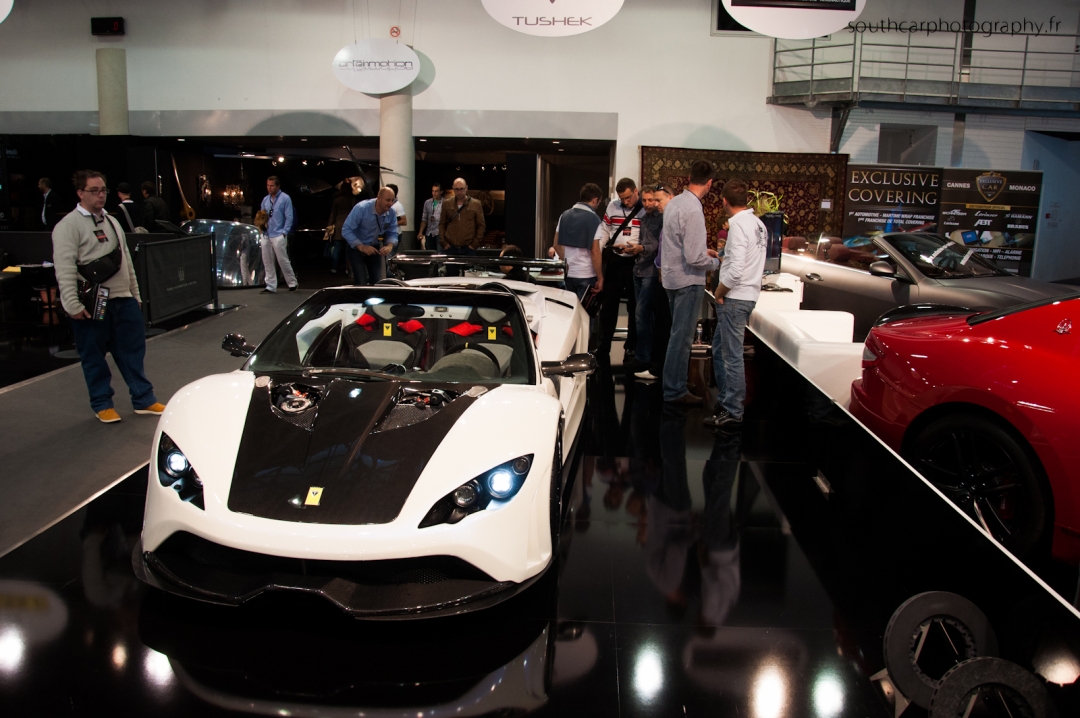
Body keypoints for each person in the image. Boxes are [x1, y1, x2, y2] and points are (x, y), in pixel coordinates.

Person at [52, 170, 165, 423]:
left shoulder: (113, 222)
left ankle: (143, 399)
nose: (100, 195)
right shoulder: (68, 226)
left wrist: (135, 295)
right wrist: (72, 304)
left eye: (103, 190)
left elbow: (126, 261)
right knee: (94, 356)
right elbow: (64, 268)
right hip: (92, 302)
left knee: (133, 351)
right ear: (80, 193)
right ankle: (102, 403)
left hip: (123, 299)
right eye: (94, 191)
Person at [704, 178, 767, 429]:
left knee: (731, 355)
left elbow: (737, 269)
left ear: (724, 201)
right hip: (746, 294)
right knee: (721, 348)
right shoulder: (758, 224)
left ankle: (732, 409)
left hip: (735, 295)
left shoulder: (739, 225)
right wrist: (722, 257)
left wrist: (720, 290)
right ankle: (726, 400)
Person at [661, 160, 720, 405]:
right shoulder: (694, 210)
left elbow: (678, 244)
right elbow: (694, 258)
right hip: (687, 280)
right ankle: (674, 390)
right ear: (710, 183)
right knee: (682, 338)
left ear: (689, 177)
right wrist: (716, 263)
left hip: (672, 278)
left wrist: (703, 252)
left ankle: (675, 383)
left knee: (677, 335)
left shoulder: (674, 203)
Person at [595, 178, 645, 361]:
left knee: (635, 306)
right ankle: (604, 346)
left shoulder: (644, 209)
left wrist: (636, 248)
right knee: (609, 305)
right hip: (616, 260)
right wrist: (600, 250)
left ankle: (631, 346)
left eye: (628, 197)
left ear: (636, 191)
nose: (625, 201)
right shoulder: (613, 207)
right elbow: (605, 231)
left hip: (636, 261)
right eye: (622, 198)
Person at [624, 185, 662, 374]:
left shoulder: (662, 219)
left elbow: (659, 245)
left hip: (651, 272)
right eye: (645, 200)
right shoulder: (644, 218)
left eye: (650, 200)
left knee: (642, 314)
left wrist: (642, 248)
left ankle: (644, 357)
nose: (647, 204)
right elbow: (644, 242)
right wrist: (633, 248)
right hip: (638, 268)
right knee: (642, 315)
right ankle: (644, 355)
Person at [552, 183, 604, 301]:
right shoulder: (594, 219)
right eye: (599, 202)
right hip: (586, 274)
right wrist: (600, 278)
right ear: (595, 200)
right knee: (584, 311)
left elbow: (556, 244)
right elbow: (595, 251)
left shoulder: (564, 215)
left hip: (569, 273)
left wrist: (567, 260)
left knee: (570, 309)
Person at [341, 186, 399, 285]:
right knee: (361, 281)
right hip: (357, 247)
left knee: (377, 281)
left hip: (374, 247)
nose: (390, 203)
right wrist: (361, 247)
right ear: (379, 198)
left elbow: (393, 232)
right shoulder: (362, 208)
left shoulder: (391, 213)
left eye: (392, 200)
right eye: (387, 200)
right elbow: (346, 230)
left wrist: (389, 246)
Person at [258, 176, 298, 293]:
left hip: (278, 233)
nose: (269, 188)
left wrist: (284, 232)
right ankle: (270, 285)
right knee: (267, 260)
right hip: (266, 233)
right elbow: (262, 215)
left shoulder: (285, 198)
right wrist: (261, 226)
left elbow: (289, 217)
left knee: (282, 259)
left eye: (272, 185)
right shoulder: (265, 199)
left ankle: (292, 283)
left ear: (278, 186)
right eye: (268, 185)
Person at [439, 178, 486, 264]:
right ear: (453, 189)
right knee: (451, 272)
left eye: (461, 189)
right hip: (450, 247)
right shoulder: (447, 203)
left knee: (469, 272)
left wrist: (474, 244)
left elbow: (481, 225)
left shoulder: (476, 204)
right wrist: (443, 242)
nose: (459, 192)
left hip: (468, 248)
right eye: (457, 189)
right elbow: (442, 224)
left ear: (466, 188)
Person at [326, 181, 357, 278]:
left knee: (337, 249)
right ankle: (348, 269)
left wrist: (329, 225)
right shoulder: (352, 199)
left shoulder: (337, 200)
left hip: (338, 225)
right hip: (349, 225)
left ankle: (334, 268)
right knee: (349, 250)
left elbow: (333, 214)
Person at [417, 182, 443, 251]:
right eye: (433, 191)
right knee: (429, 252)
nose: (434, 193)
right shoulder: (427, 203)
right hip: (429, 232)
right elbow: (424, 219)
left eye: (436, 191)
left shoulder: (445, 203)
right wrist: (420, 232)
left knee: (439, 252)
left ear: (441, 192)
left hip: (439, 232)